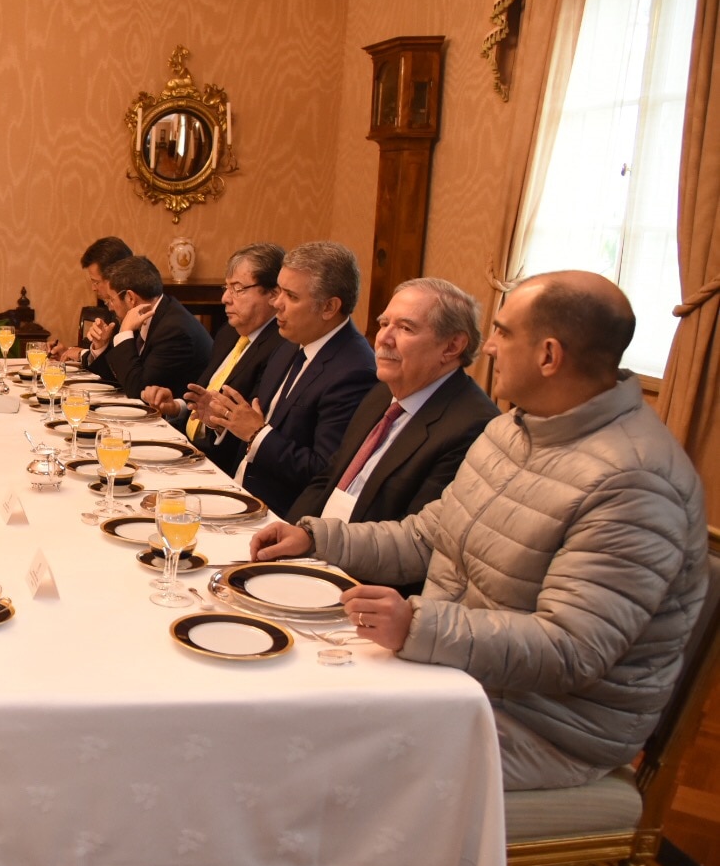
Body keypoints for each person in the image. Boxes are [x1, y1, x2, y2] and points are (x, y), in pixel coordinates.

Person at [251, 271, 707, 790]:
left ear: (549, 356)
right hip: (459, 675)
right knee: (279, 696)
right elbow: (429, 535)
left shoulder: (635, 481)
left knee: (317, 759)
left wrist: (416, 627)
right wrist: (319, 539)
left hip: (543, 726)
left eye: (504, 332)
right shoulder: (511, 429)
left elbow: (572, 649)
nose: (488, 346)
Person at [283, 277, 498, 526]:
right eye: (384, 323)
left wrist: (314, 544)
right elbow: (328, 478)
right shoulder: (382, 393)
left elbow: (411, 539)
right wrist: (291, 531)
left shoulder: (472, 427)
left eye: (406, 328)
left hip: (357, 558)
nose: (384, 338)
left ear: (452, 346)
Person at [190, 241, 376, 516]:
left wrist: (256, 433)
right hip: (238, 491)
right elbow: (256, 428)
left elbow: (323, 474)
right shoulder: (289, 342)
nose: (276, 304)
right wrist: (223, 421)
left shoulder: (353, 370)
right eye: (278, 292)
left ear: (329, 307)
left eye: (291, 296)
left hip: (281, 517)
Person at [142, 242, 287, 475]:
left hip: (219, 466)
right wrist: (176, 407)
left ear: (273, 294)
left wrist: (214, 423)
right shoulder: (229, 333)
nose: (225, 299)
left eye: (238, 288)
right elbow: (207, 399)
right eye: (226, 287)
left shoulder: (280, 349)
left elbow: (242, 433)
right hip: (188, 446)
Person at [92, 255, 211, 400]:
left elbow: (137, 390)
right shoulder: (150, 314)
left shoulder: (174, 330)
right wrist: (101, 346)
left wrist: (124, 333)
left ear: (130, 298)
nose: (110, 307)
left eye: (111, 299)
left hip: (180, 420)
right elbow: (119, 378)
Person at [46, 237, 133, 370]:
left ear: (115, 277)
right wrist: (68, 352)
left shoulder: (134, 310)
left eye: (96, 282)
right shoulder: (110, 307)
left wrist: (80, 353)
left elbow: (118, 364)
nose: (93, 288)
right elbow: (91, 348)